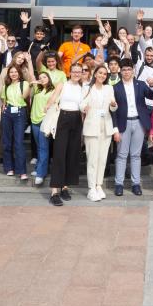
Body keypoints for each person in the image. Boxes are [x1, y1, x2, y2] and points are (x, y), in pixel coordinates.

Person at [112, 61, 153, 196]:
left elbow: (151, 96)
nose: (126, 72)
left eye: (129, 69)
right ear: (121, 71)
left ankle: (135, 184)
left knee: (136, 155)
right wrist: (115, 129)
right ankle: (119, 184)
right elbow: (113, 110)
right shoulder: (115, 87)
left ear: (133, 71)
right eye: (124, 69)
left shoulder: (140, 84)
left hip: (138, 122)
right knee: (121, 155)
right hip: (122, 123)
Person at [49, 63, 86, 206]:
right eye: (74, 71)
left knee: (72, 155)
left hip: (77, 120)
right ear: (69, 72)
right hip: (63, 118)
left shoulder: (83, 88)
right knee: (59, 154)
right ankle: (54, 191)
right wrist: (48, 106)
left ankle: (65, 187)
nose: (77, 74)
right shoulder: (62, 84)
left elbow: (83, 108)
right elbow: (53, 98)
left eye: (79, 72)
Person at [80, 65, 119, 201]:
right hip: (92, 127)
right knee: (92, 159)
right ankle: (91, 188)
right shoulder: (87, 88)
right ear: (95, 74)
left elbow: (113, 108)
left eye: (104, 74)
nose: (102, 75)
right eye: (100, 73)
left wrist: (114, 105)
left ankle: (98, 185)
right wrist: (84, 107)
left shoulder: (109, 88)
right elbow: (81, 104)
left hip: (106, 127)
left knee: (102, 159)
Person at [0, 63, 32, 180]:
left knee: (18, 142)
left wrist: (30, 85)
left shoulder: (25, 84)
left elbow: (24, 97)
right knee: (7, 142)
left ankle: (22, 171)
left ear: (19, 74)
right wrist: (3, 108)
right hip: (7, 112)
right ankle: (9, 168)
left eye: (15, 72)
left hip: (19, 112)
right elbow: (4, 101)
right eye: (11, 72)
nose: (13, 74)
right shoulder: (6, 86)